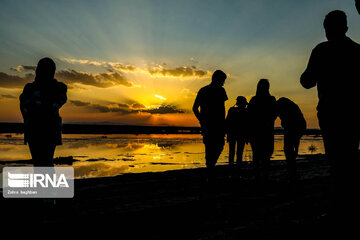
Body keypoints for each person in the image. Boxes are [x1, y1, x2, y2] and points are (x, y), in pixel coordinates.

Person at [300, 10, 360, 227]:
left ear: (327, 30)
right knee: (351, 159)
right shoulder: (357, 51)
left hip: (331, 114)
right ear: (345, 28)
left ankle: (339, 211)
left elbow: (307, 81)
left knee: (336, 162)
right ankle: (350, 207)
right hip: (353, 115)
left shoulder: (321, 50)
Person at [20, 57, 67, 167]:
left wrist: (38, 105)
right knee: (39, 163)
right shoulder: (30, 88)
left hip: (49, 130)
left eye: (45, 69)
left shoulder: (58, 87)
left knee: (45, 162)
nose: (39, 71)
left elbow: (55, 103)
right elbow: (24, 104)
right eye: (39, 68)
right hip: (34, 130)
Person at [193, 70, 228, 180]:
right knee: (212, 147)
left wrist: (202, 120)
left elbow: (222, 109)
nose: (223, 83)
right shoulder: (206, 90)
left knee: (215, 147)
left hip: (216, 125)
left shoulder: (218, 90)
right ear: (217, 79)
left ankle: (210, 168)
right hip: (211, 125)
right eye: (222, 80)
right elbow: (195, 108)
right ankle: (210, 170)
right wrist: (202, 120)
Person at [247, 79, 277, 183]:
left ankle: (258, 177)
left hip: (256, 132)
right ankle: (264, 177)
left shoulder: (254, 100)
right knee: (266, 156)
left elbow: (249, 116)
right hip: (266, 132)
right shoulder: (271, 99)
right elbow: (274, 115)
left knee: (257, 155)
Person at [277, 97, 306, 183]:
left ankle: (291, 171)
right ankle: (292, 170)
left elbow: (287, 124)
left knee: (288, 149)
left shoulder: (285, 108)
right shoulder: (291, 107)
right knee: (290, 148)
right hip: (299, 126)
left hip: (295, 126)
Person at [225, 96, 248, 167]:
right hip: (240, 134)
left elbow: (227, 122)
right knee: (238, 152)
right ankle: (237, 165)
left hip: (233, 133)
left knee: (232, 151)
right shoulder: (245, 111)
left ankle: (232, 165)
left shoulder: (232, 110)